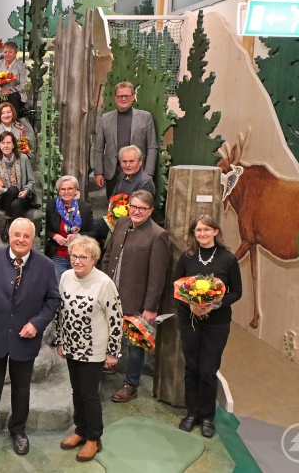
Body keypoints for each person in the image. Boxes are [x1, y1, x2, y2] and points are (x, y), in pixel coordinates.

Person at [0, 218, 60, 455]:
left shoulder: (46, 265)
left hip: (25, 337)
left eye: (26, 236)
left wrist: (36, 324)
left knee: (21, 388)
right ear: (9, 235)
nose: (21, 239)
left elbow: (53, 300)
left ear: (33, 239)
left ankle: (18, 430)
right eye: (17, 234)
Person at [54, 236, 122, 462]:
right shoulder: (64, 277)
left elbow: (116, 319)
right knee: (76, 391)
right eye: (74, 255)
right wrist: (61, 340)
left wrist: (113, 352)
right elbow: (60, 312)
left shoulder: (104, 283)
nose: (77, 261)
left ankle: (94, 438)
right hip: (71, 346)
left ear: (93, 259)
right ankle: (80, 430)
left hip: (94, 349)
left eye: (83, 257)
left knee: (90, 395)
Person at [174, 215, 242, 438]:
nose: (202, 234)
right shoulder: (187, 257)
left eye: (206, 230)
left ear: (215, 231)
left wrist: (215, 304)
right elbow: (176, 286)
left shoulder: (228, 259)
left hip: (217, 323)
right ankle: (191, 413)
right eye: (197, 230)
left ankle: (207, 418)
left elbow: (236, 292)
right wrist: (191, 304)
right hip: (190, 320)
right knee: (192, 368)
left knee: (208, 370)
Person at [101, 190, 170, 403]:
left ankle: (131, 384)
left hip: (137, 299)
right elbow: (108, 254)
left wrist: (150, 306)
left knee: (134, 344)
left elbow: (158, 275)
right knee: (109, 332)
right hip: (112, 293)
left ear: (150, 211)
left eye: (142, 208)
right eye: (134, 206)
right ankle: (108, 365)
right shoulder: (122, 223)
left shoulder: (158, 235)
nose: (136, 211)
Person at [93, 81, 158, 201]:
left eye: (127, 96)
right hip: (113, 171)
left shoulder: (145, 117)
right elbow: (98, 148)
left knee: (137, 205)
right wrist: (98, 172)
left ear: (133, 97)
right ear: (115, 98)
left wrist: (148, 173)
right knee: (114, 208)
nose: (123, 98)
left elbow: (152, 146)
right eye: (120, 96)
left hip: (138, 172)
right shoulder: (105, 119)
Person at [93, 145, 156, 248]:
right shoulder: (122, 175)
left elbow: (139, 211)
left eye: (131, 161)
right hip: (115, 219)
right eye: (124, 161)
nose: (127, 165)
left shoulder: (145, 181)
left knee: (95, 228)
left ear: (140, 162)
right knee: (90, 226)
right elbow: (113, 198)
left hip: (133, 224)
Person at [45, 175, 94, 281]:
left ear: (75, 190)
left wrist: (79, 236)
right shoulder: (52, 206)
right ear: (59, 191)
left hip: (80, 256)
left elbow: (93, 232)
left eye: (70, 189)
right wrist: (55, 236)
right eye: (63, 189)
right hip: (59, 255)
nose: (66, 192)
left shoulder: (85, 208)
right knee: (58, 287)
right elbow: (46, 229)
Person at [0, 132, 35, 243]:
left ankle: (11, 226)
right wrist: (6, 190)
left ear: (13, 145)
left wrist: (26, 190)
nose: (6, 146)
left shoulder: (23, 159)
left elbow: (31, 181)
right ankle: (12, 224)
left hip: (22, 198)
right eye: (3, 143)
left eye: (8, 143)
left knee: (16, 204)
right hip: (4, 198)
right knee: (13, 189)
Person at [0, 41, 28, 121]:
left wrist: (10, 91)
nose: (7, 54)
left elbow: (23, 85)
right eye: (5, 52)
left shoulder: (21, 66)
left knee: (13, 97)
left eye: (10, 52)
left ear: (15, 53)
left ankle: (12, 122)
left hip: (14, 94)